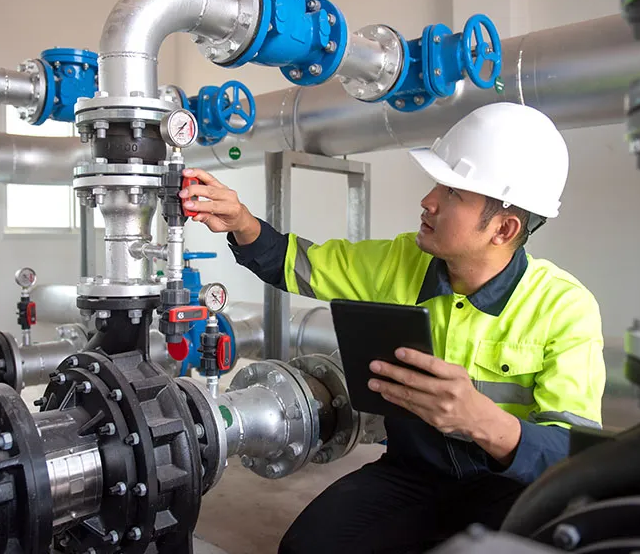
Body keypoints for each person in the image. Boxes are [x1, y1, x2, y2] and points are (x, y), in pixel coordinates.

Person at [179, 102, 605, 553]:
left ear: (503, 228)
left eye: (455, 192)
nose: (429, 200)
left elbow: (570, 454)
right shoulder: (401, 260)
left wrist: (482, 422)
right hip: (414, 472)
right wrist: (241, 223)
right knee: (307, 548)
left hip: (510, 486)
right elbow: (300, 265)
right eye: (438, 184)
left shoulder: (564, 306)